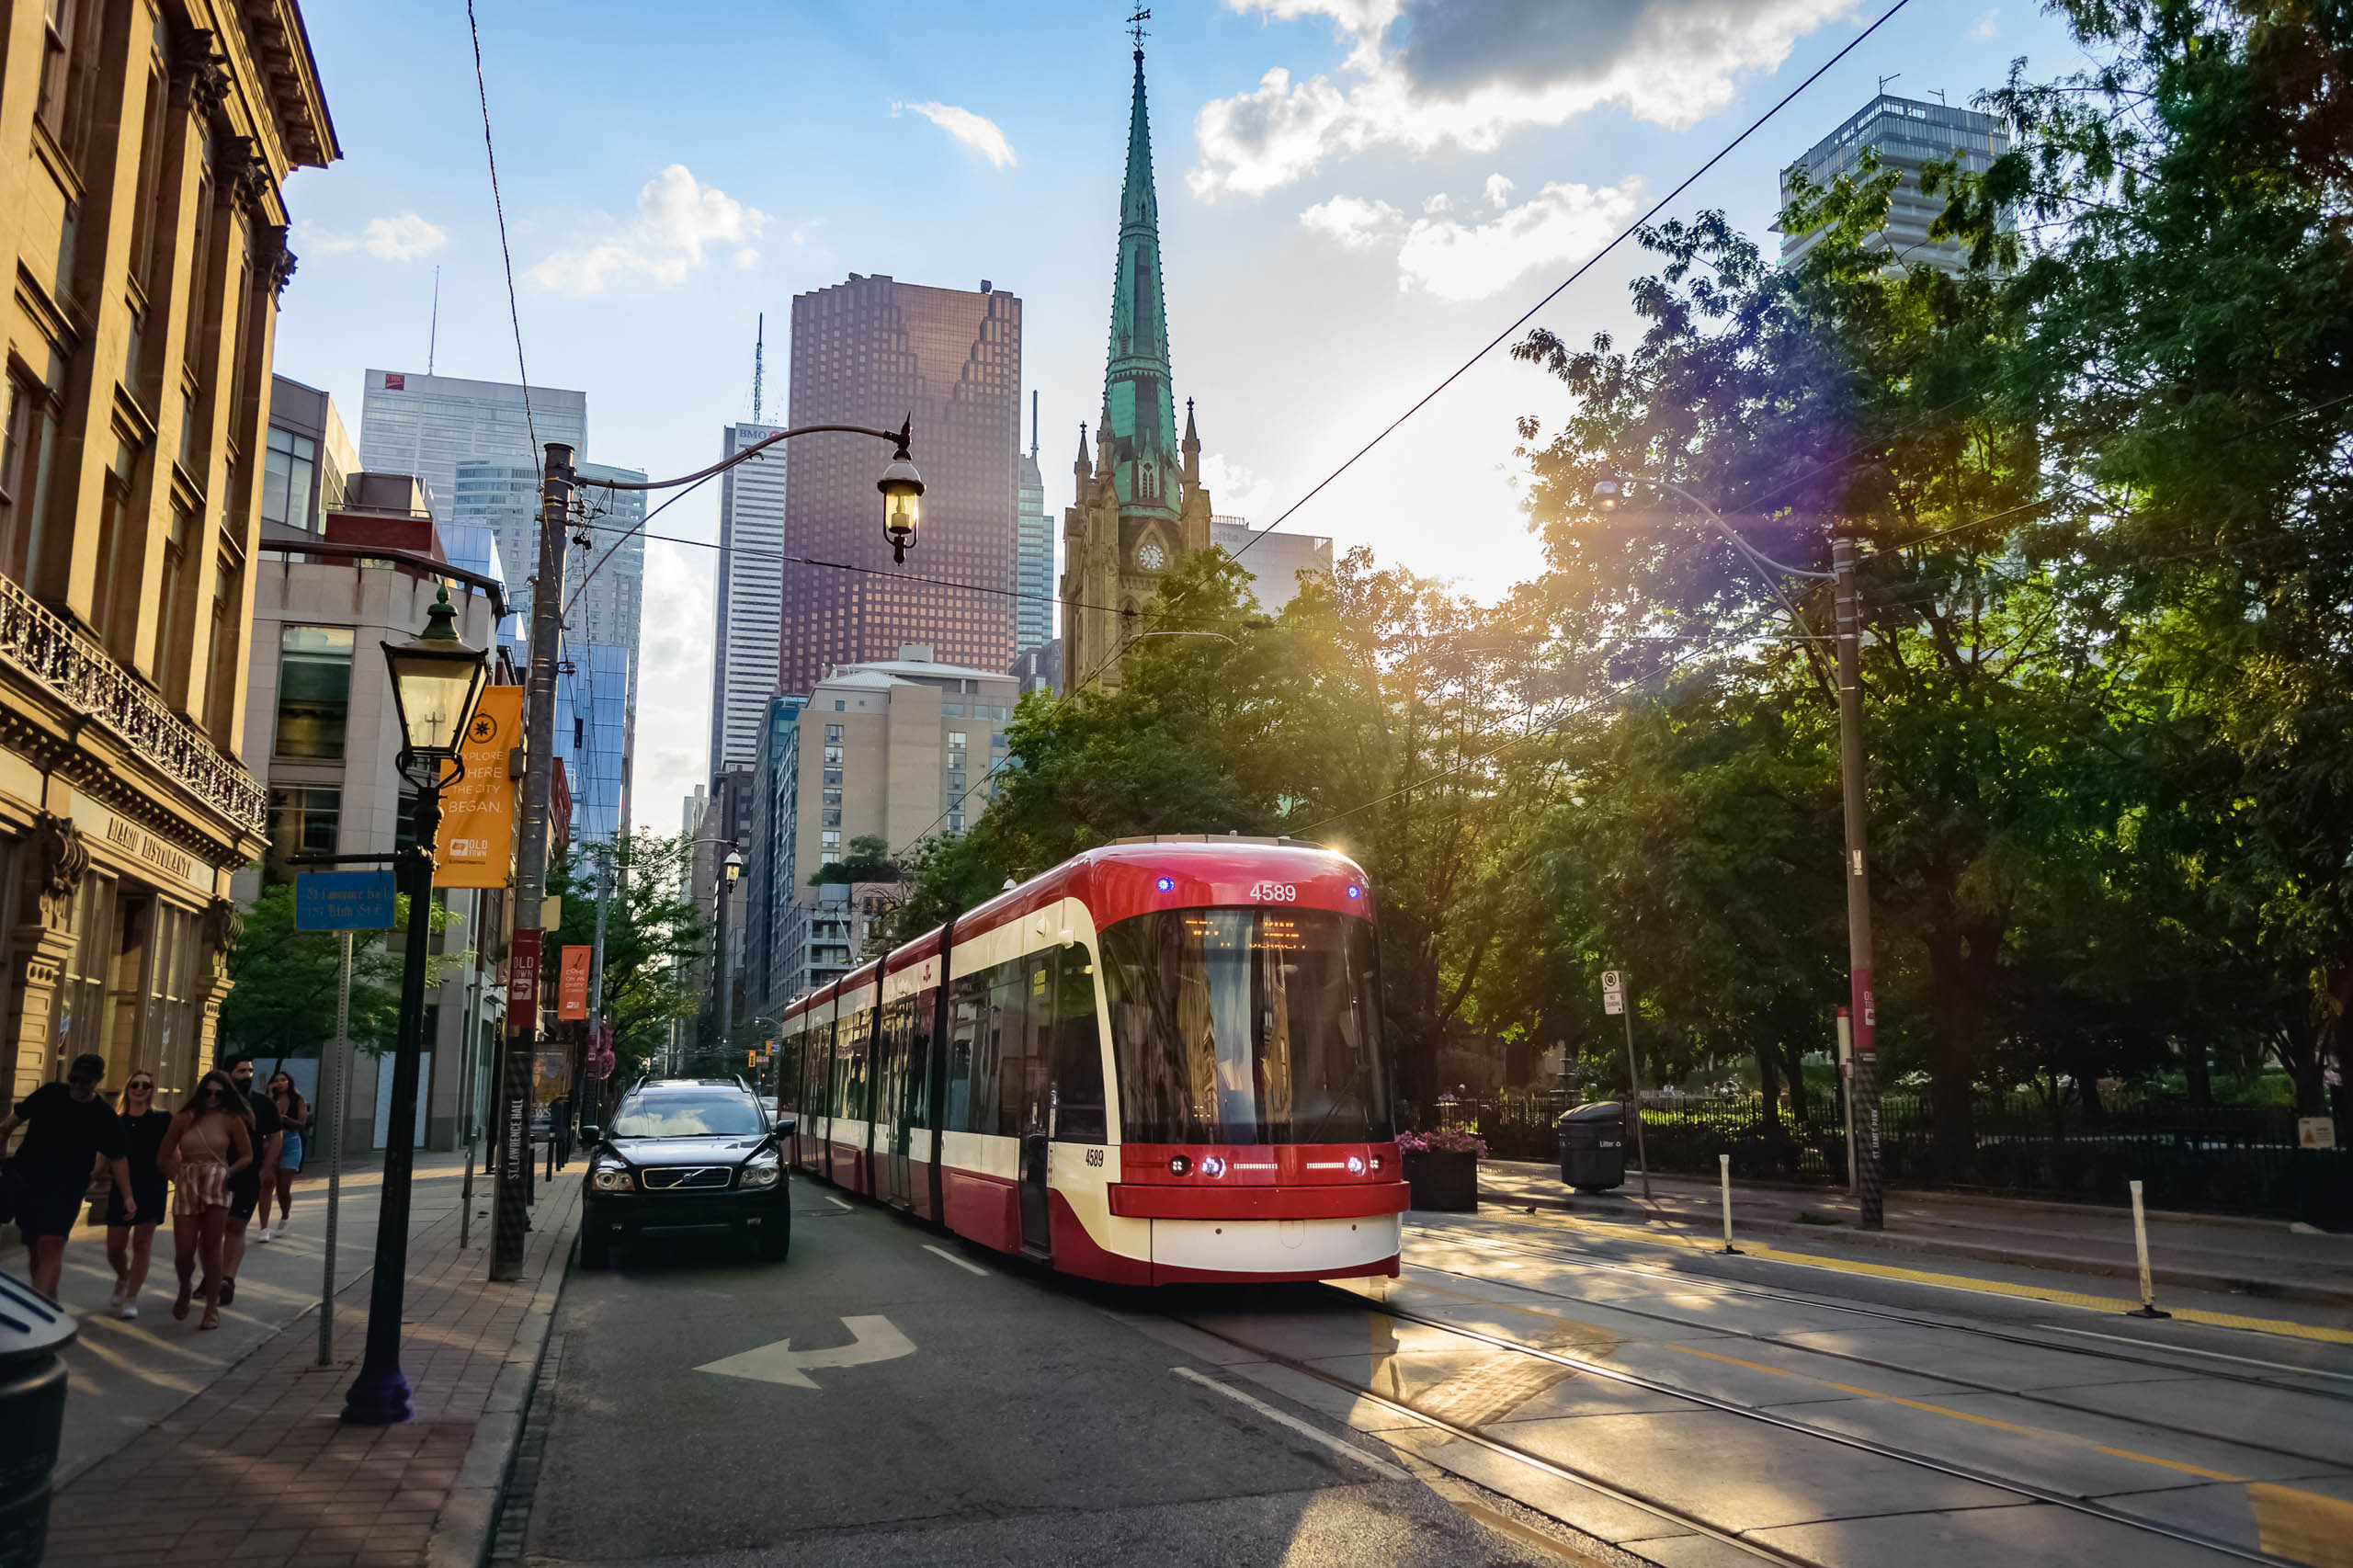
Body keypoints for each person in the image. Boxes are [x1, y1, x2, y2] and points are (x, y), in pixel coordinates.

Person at [0, 1053, 136, 1301]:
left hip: (67, 1188)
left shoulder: (103, 1115)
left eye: (85, 1082)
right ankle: (49, 1305)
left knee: (51, 1246)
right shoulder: (49, 1093)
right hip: (28, 1181)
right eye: (74, 1079)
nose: (78, 1086)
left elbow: (118, 1157)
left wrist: (127, 1195)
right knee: (35, 1250)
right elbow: (8, 1124)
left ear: (97, 1081)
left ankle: (38, 1311)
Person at [157, 1070, 252, 1330]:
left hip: (216, 1183)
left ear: (226, 1095)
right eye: (208, 1092)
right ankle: (185, 1286)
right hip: (188, 1179)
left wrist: (228, 1173)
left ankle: (211, 1308)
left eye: (218, 1094)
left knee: (212, 1248)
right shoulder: (183, 1118)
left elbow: (247, 1155)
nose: (212, 1098)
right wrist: (178, 1178)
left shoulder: (231, 1120)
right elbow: (163, 1155)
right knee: (184, 1250)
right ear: (200, 1092)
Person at [104, 1072, 172, 1319]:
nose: (140, 1089)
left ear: (152, 1090)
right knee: (114, 1247)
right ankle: (123, 1277)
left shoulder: (162, 1119)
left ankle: (131, 1297)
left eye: (146, 1085)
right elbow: (104, 1155)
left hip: (152, 1185)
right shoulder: (116, 1121)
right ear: (128, 1088)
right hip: (121, 1187)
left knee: (142, 1244)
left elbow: (173, 1151)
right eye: (135, 1084)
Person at [217, 1053, 280, 1301]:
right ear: (228, 1073)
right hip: (215, 1175)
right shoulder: (215, 1101)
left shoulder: (263, 1104)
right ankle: (212, 1275)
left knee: (236, 1225)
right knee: (215, 1228)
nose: (248, 1076)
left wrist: (266, 1168)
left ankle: (227, 1279)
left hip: (248, 1174)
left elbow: (276, 1135)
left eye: (250, 1071)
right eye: (242, 1071)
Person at [261, 1069, 308, 1237]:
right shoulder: (269, 1099)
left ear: (289, 1082)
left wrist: (285, 1120)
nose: (280, 1083)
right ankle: (264, 1227)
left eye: (283, 1080)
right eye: (277, 1080)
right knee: (267, 1183)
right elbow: (262, 1116)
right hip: (270, 1142)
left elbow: (302, 1123)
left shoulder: (297, 1099)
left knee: (283, 1187)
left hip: (291, 1141)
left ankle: (285, 1216)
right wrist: (269, 1094)